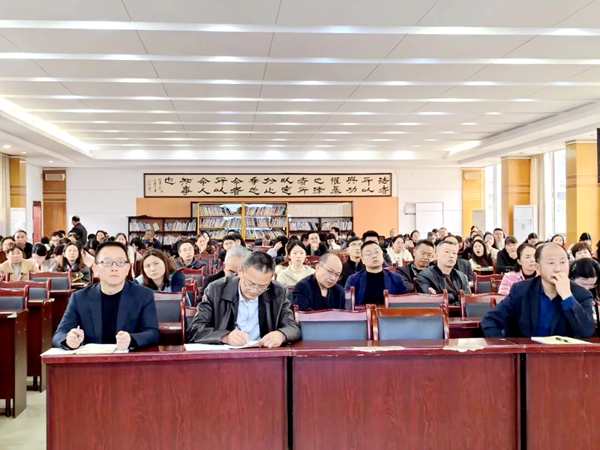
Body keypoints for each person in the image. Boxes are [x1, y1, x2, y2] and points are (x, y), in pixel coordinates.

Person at [52, 241, 159, 350]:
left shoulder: (144, 295)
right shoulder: (79, 298)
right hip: (92, 358)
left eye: (120, 262)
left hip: (128, 358)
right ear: (95, 269)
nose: (114, 268)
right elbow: (59, 334)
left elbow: (153, 333)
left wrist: (131, 339)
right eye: (107, 262)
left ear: (128, 268)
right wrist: (69, 340)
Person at [187, 251, 301, 347]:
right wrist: (225, 337)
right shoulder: (216, 289)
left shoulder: (278, 292)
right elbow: (195, 329)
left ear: (271, 278)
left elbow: (292, 327)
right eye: (250, 284)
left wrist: (281, 335)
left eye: (262, 286)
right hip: (226, 355)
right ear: (240, 272)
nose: (254, 290)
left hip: (263, 354)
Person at [482, 243, 595, 338]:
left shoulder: (582, 294)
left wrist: (567, 296)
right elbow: (490, 321)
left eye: (562, 262)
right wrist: (508, 349)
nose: (558, 269)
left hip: (563, 356)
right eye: (551, 263)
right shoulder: (521, 290)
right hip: (526, 355)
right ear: (537, 267)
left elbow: (586, 331)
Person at [345, 241, 407, 305]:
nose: (374, 256)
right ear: (363, 260)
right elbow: (346, 304)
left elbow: (404, 303)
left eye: (377, 252)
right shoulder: (353, 280)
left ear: (382, 255)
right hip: (364, 311)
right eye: (369, 254)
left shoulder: (396, 278)